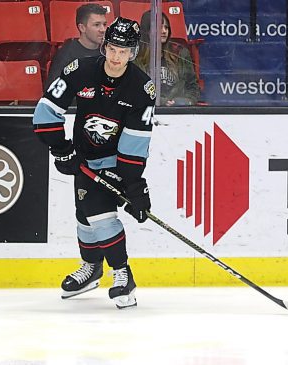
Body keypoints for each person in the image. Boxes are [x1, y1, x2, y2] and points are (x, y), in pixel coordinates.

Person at [33, 17, 156, 309]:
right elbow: (46, 110)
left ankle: (122, 272)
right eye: (112, 48)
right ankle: (91, 268)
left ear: (133, 52)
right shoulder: (81, 70)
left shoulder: (142, 88)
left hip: (114, 162)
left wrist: (133, 185)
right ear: (105, 46)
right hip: (84, 158)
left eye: (123, 51)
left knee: (100, 216)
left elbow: (135, 142)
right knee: (84, 216)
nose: (116, 57)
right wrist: (62, 150)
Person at [134, 10, 200, 106]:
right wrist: (159, 101)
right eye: (159, 27)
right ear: (147, 31)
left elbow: (192, 86)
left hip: (175, 112)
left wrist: (187, 101)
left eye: (166, 27)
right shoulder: (135, 56)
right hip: (145, 109)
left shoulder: (180, 53)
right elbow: (132, 89)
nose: (164, 31)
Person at [45, 3, 107, 88]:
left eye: (104, 24)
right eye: (97, 25)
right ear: (82, 28)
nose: (103, 30)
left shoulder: (108, 51)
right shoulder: (65, 54)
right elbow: (52, 90)